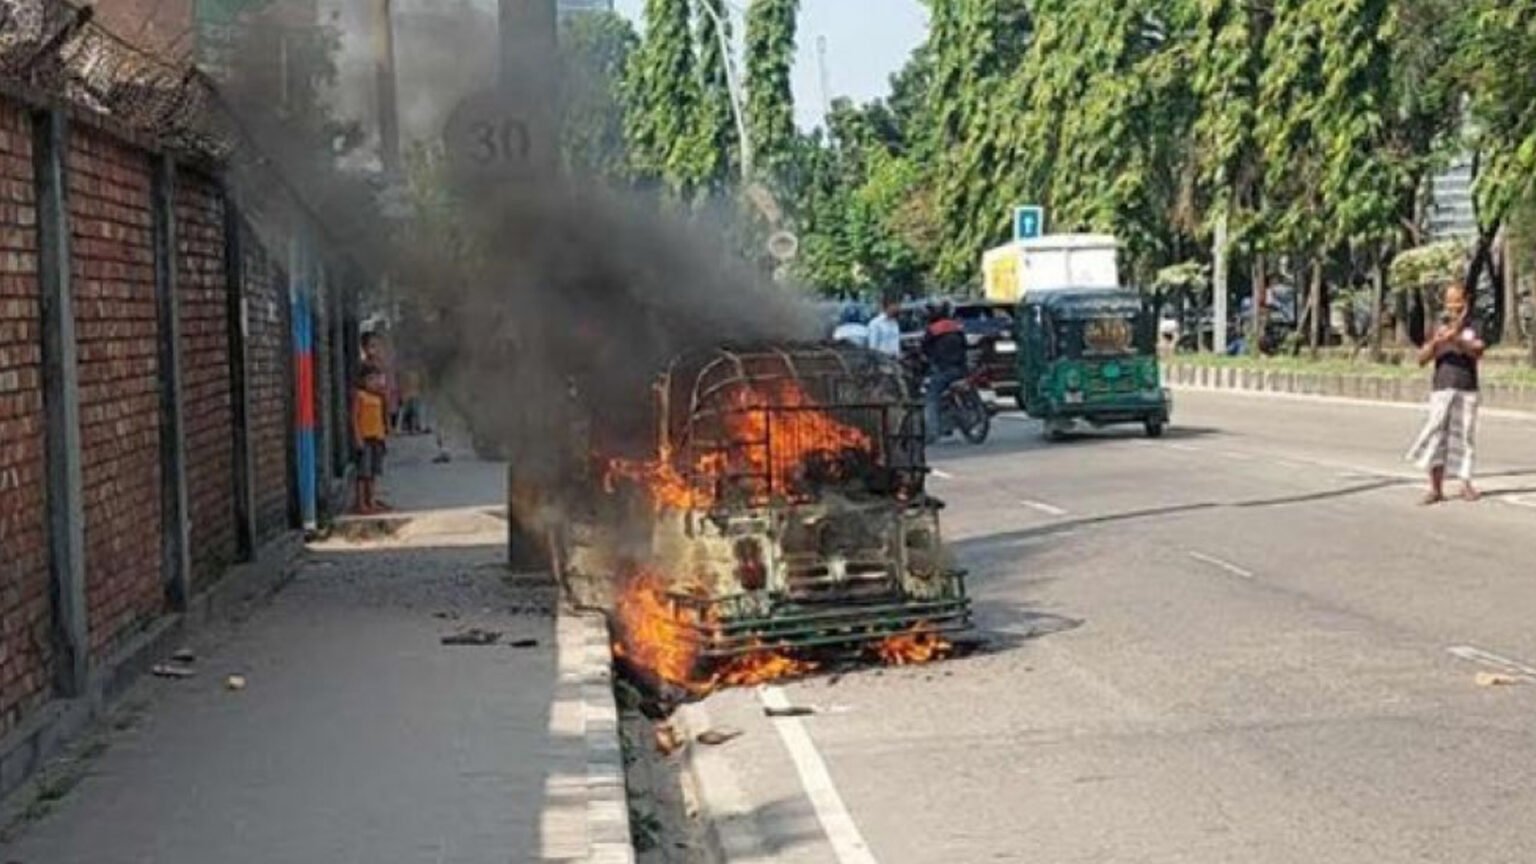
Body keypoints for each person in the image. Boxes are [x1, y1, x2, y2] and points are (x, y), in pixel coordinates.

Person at [1406, 283, 1484, 505]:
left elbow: (1478, 350)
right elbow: (1421, 359)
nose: (1454, 310)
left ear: (1466, 302)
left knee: (1465, 437)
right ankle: (1435, 488)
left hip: (1467, 386)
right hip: (1442, 387)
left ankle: (1465, 483)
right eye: (1450, 305)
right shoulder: (1436, 325)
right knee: (1436, 436)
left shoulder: (1474, 324)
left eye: (1458, 305)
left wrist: (1457, 339)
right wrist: (1438, 341)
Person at [920, 301, 969, 444]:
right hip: (961, 368)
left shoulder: (933, 330)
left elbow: (924, 350)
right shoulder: (956, 326)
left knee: (931, 397)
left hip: (944, 370)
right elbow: (965, 345)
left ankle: (933, 431)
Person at [352, 364, 390, 514]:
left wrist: (385, 432)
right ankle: (361, 503)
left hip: (377, 437)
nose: (373, 382)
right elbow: (354, 418)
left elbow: (383, 416)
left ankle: (372, 501)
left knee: (373, 472)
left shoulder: (379, 397)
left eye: (376, 379)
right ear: (362, 381)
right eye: (370, 379)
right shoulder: (360, 395)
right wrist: (357, 437)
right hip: (365, 438)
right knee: (363, 473)